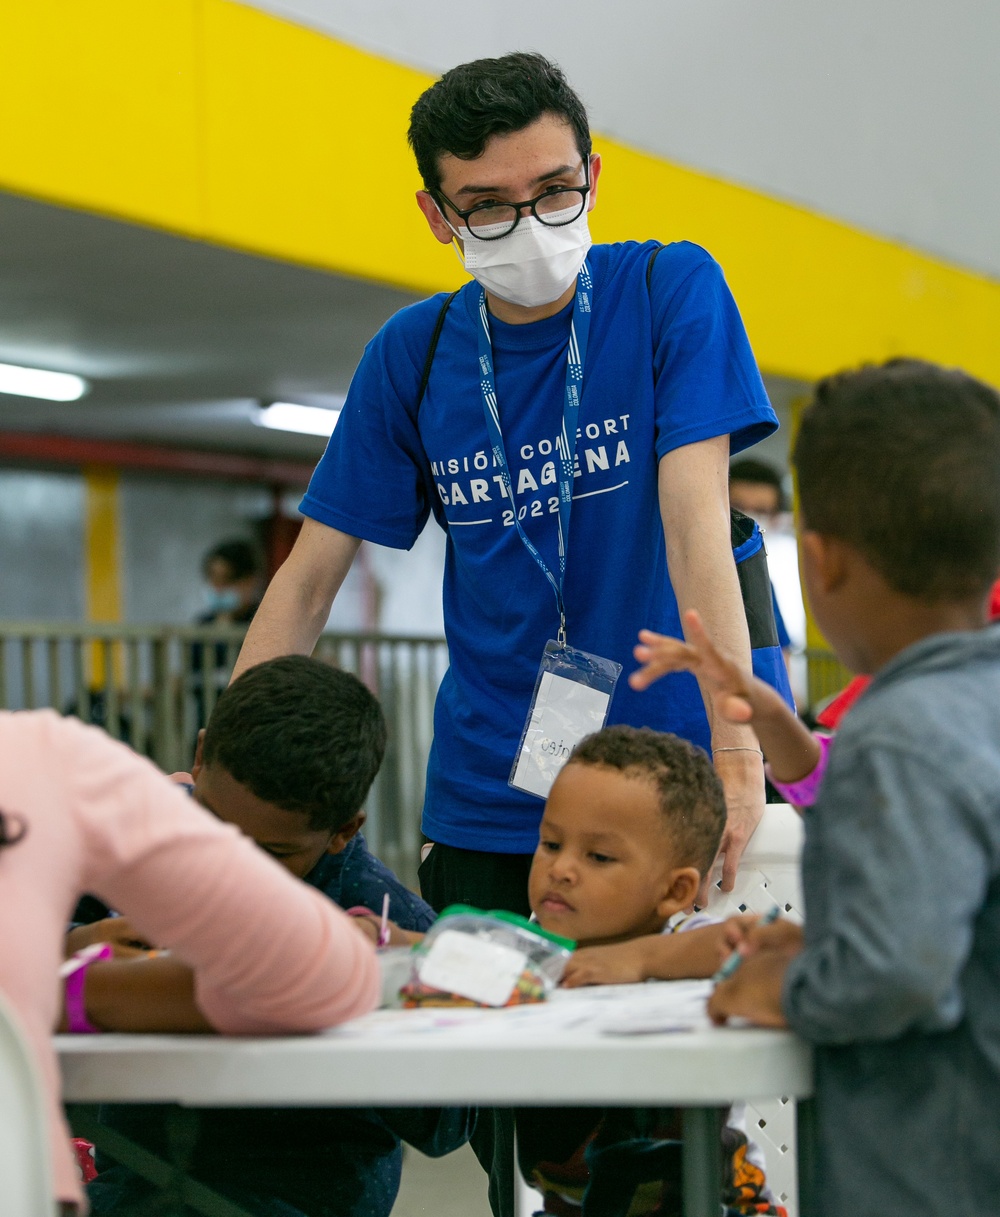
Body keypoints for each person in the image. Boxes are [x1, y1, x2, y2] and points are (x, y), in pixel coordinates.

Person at [230, 51, 784, 920]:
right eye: (487, 206)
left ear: (594, 177)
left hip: (683, 775)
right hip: (495, 800)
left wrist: (739, 753)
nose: (529, 224)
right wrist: (232, 767)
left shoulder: (667, 289)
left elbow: (693, 528)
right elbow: (306, 579)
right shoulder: (413, 354)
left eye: (556, 191)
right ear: (437, 216)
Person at [637, 359, 1000, 1216]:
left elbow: (900, 973)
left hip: (927, 1172)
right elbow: (939, 882)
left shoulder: (900, 727)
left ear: (823, 561)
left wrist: (788, 985)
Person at [80, 656, 471, 1217]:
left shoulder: (390, 922)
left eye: (273, 854)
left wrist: (371, 999)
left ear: (343, 830)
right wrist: (93, 953)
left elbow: (448, 1124)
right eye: (213, 824)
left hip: (303, 1200)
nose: (231, 865)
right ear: (199, 757)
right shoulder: (136, 850)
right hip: (137, 1187)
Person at [0, 708, 380, 1215]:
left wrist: (64, 967)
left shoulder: (54, 767)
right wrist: (82, 989)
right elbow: (328, 975)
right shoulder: (49, 759)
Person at [517, 724, 786, 1216]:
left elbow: (769, 952)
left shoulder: (686, 944)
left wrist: (638, 960)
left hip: (714, 1205)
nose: (561, 869)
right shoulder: (531, 949)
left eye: (598, 856)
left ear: (675, 892)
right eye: (551, 844)